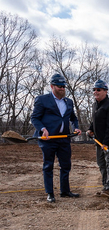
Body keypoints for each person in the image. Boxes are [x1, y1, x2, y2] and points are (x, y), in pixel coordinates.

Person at [31, 73, 82, 203]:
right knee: (48, 165)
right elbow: (35, 118)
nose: (62, 88)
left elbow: (73, 118)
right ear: (52, 86)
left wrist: (75, 127)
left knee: (66, 165)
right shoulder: (42, 100)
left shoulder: (68, 102)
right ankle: (50, 193)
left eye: (63, 86)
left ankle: (65, 191)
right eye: (59, 86)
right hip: (48, 139)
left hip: (64, 139)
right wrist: (42, 129)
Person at [86, 80, 109, 199]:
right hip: (99, 141)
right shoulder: (95, 105)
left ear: (105, 91)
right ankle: (105, 186)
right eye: (94, 90)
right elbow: (94, 120)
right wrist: (90, 129)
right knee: (101, 163)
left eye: (98, 90)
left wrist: (106, 142)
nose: (96, 92)